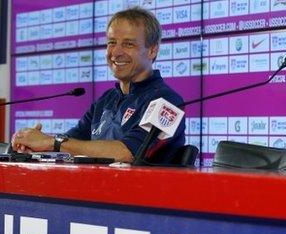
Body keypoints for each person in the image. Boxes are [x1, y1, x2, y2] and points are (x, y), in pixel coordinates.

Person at [11, 7, 185, 163]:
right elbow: (71, 141)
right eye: (111, 42)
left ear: (152, 50)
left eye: (128, 44)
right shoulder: (106, 99)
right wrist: (35, 143)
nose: (116, 52)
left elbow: (128, 153)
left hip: (140, 197)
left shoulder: (168, 102)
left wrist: (50, 142)